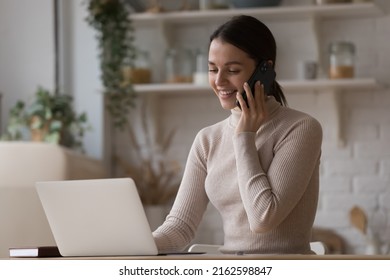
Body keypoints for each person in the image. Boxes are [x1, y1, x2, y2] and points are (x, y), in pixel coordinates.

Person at [152, 15, 322, 254]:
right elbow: (180, 227)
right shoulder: (207, 139)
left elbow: (263, 218)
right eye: (212, 69)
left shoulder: (301, 128)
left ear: (265, 70)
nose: (219, 81)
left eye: (232, 70)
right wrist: (134, 244)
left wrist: (244, 135)